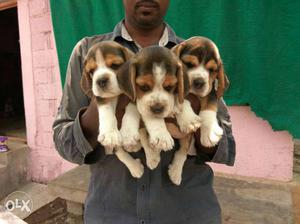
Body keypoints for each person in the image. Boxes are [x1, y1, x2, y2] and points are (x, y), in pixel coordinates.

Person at [52, 0, 236, 223]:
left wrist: (194, 107)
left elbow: (225, 146)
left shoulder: (193, 54)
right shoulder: (87, 51)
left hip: (187, 213)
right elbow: (65, 145)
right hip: (112, 214)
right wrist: (104, 105)